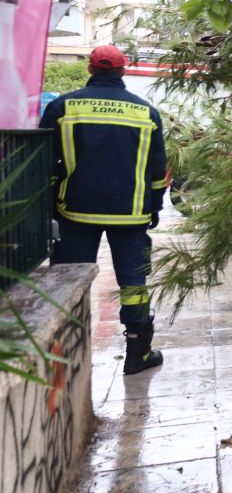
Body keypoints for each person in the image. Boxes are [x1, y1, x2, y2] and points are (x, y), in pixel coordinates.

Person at [39, 45, 169, 375]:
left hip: (76, 211)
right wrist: (153, 208)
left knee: (68, 279)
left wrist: (51, 203)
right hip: (131, 213)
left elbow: (42, 161)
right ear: (123, 71)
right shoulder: (146, 113)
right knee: (134, 284)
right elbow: (157, 171)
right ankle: (137, 352)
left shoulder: (62, 107)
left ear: (91, 69)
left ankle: (65, 353)